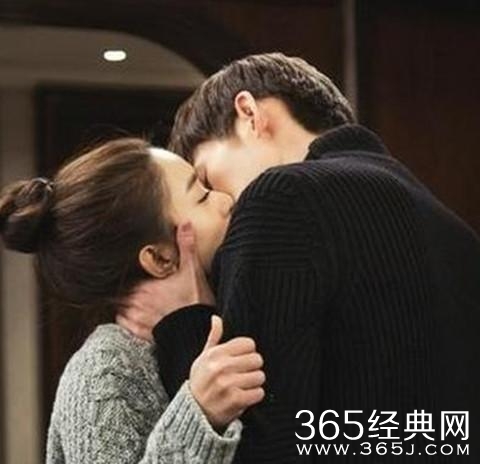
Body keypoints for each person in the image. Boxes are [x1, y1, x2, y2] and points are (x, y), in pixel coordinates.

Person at [123, 53, 480, 462]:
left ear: (249, 113)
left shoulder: (281, 195)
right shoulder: (455, 229)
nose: (225, 204)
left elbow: (262, 443)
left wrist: (185, 322)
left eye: (206, 180)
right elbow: (446, 431)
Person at [0, 138, 267, 463]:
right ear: (158, 257)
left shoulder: (231, 309)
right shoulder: (102, 373)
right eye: (202, 197)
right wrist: (199, 415)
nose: (226, 201)